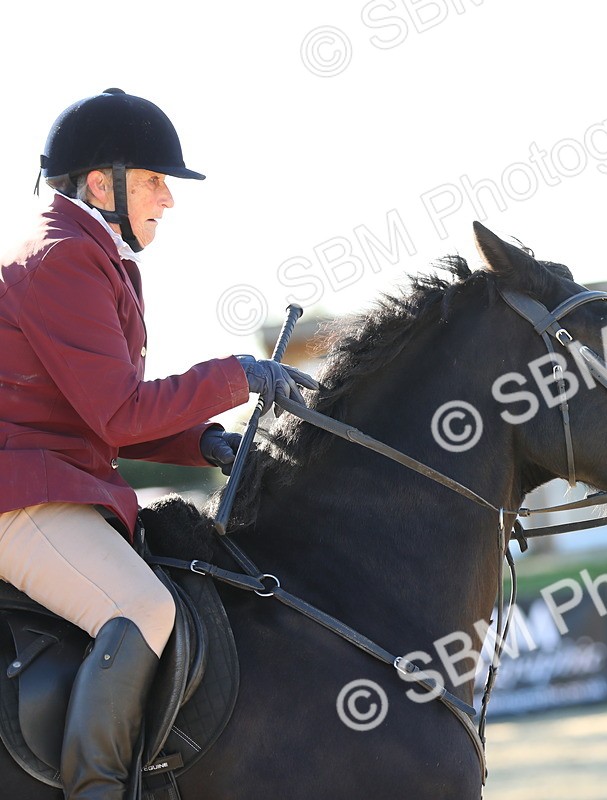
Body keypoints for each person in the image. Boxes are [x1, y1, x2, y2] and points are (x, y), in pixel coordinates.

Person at [0, 88, 317, 799]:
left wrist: (206, 441)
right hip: (20, 497)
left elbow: (96, 408)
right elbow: (118, 412)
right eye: (152, 180)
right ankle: (99, 790)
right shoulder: (63, 258)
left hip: (58, 484)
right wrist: (238, 374)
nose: (166, 199)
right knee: (141, 609)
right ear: (97, 183)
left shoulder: (88, 253)